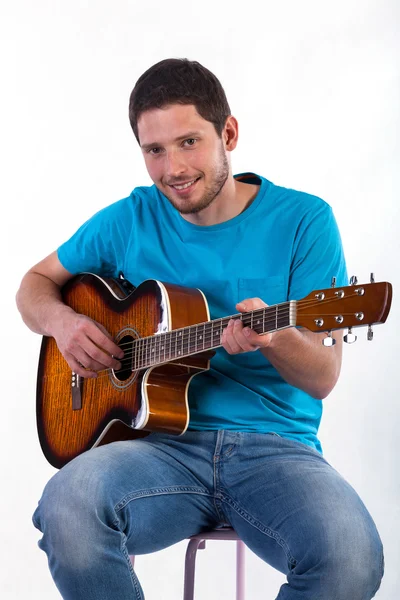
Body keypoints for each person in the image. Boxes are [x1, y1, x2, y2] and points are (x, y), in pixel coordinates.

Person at [16, 58, 383, 600]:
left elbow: (324, 376)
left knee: (350, 560)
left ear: (228, 133)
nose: (173, 168)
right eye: (154, 150)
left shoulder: (304, 220)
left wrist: (275, 336)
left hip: (276, 450)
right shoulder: (130, 218)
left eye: (189, 142)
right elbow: (34, 284)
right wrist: (64, 322)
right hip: (155, 447)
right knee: (66, 507)